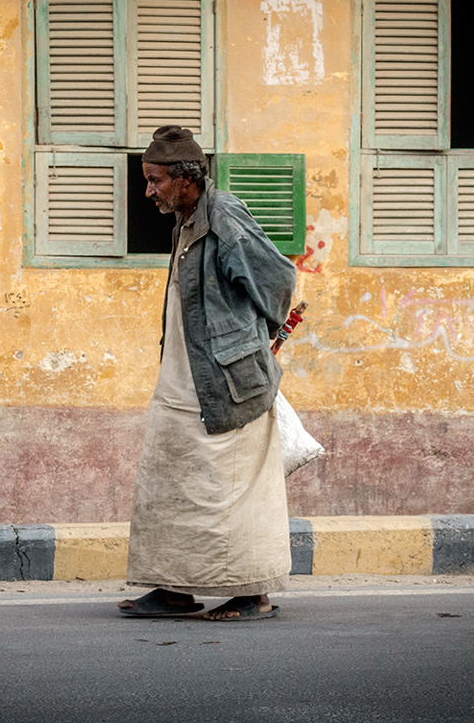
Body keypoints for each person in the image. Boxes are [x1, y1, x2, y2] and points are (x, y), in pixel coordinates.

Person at [118, 125, 297, 622]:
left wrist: (251, 338)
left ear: (185, 178)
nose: (148, 191)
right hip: (183, 380)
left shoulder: (224, 214)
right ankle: (176, 588)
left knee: (232, 493)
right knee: (171, 483)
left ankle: (251, 594)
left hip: (226, 384)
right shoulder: (185, 219)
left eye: (154, 181)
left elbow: (278, 279)